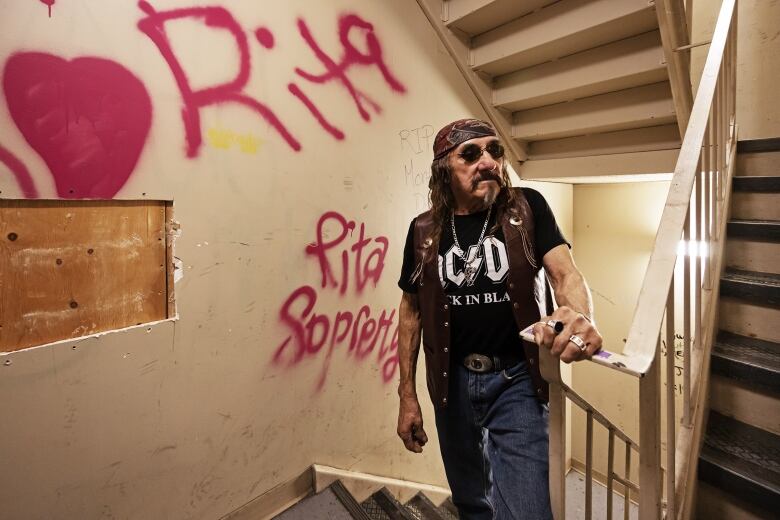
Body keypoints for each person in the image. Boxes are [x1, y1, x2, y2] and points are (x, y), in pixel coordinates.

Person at [396, 118, 603, 519]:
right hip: (450, 383)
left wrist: (578, 315)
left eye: (495, 150)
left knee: (528, 510)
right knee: (471, 500)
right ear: (444, 169)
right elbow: (410, 314)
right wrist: (407, 396)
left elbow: (565, 274)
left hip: (517, 381)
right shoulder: (423, 230)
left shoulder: (527, 207)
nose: (487, 161)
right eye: (471, 154)